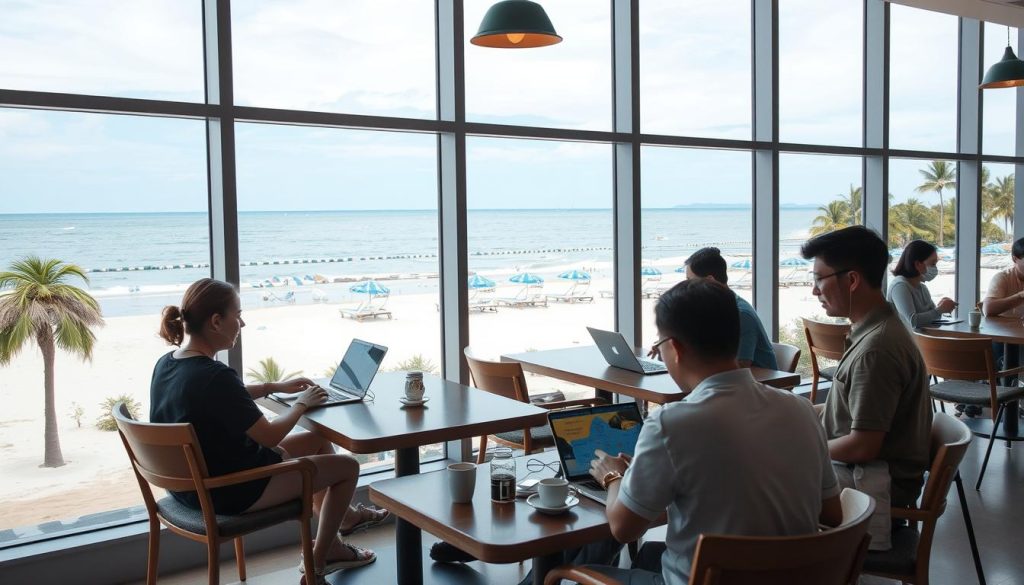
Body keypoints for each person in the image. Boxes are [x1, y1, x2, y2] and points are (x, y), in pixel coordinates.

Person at [581, 279, 842, 585]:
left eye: (660, 345)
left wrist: (613, 476)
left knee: (561, 576)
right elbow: (832, 515)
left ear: (675, 348)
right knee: (652, 553)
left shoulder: (672, 424)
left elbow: (623, 529)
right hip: (791, 578)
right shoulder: (799, 410)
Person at [150, 278, 386, 584]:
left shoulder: (169, 364)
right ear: (217, 322)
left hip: (188, 489)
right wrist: (300, 404)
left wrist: (272, 387)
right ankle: (322, 556)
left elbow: (218, 395)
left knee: (317, 439)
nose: (243, 323)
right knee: (347, 466)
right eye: (238, 314)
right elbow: (270, 436)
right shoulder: (215, 376)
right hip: (230, 492)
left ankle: (341, 532)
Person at [801, 226, 932, 549]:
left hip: (874, 480)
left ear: (852, 280)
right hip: (863, 466)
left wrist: (803, 450)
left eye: (819, 278)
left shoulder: (877, 349)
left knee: (758, 479)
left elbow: (864, 446)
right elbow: (850, 411)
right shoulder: (874, 329)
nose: (815, 290)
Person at [650, 246, 778, 370]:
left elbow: (740, 366)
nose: (687, 286)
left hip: (756, 385)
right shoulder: (710, 309)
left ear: (710, 281)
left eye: (690, 280)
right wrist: (667, 345)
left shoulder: (740, 314)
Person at [887, 239, 957, 328]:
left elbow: (934, 318)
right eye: (933, 263)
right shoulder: (900, 286)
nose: (935, 268)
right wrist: (939, 310)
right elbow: (912, 321)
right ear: (918, 264)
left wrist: (941, 307)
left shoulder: (922, 288)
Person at [982, 237, 1024, 318]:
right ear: (1014, 259)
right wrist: (1021, 296)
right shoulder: (1003, 278)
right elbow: (988, 309)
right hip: (1006, 329)